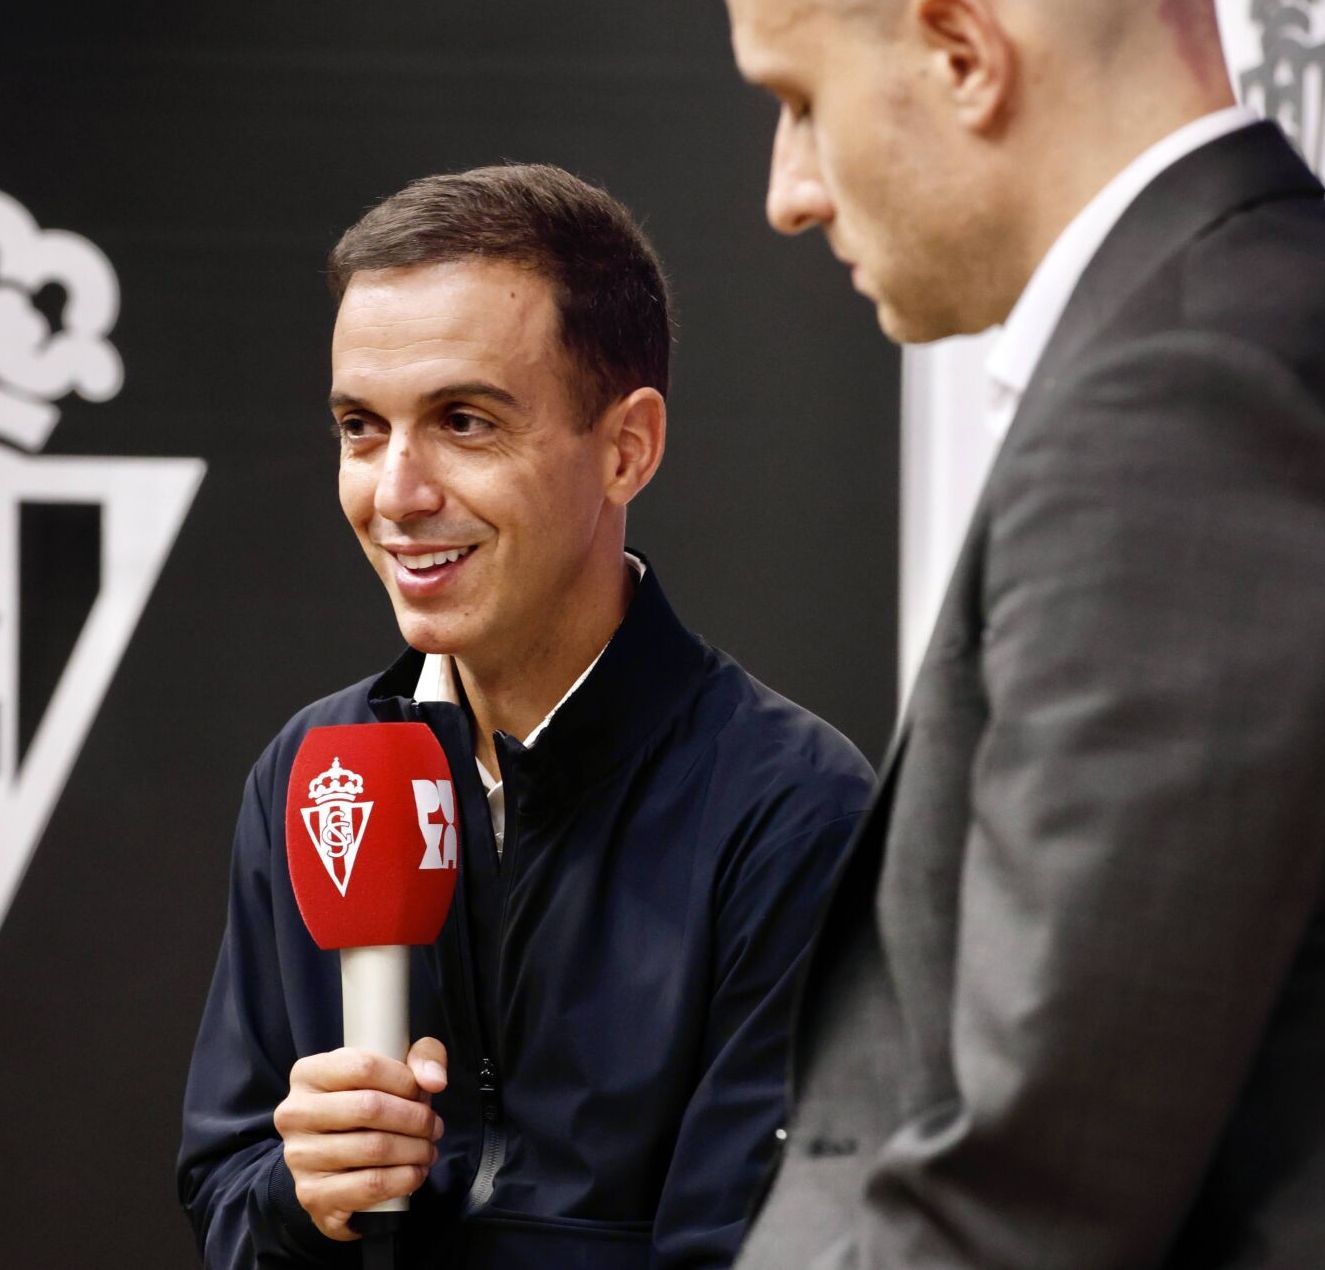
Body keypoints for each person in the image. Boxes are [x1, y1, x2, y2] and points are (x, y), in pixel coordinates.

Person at [718, 0, 1325, 1265]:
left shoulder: (1193, 400)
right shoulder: (1245, 338)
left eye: (799, 99)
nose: (788, 192)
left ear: (962, 57)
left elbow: (1028, 1195)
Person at [177, 163, 873, 1268]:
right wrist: (299, 1196)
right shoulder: (317, 769)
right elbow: (223, 1189)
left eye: (462, 421)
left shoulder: (790, 808)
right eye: (361, 428)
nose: (396, 492)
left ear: (626, 446)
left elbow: (755, 1244)